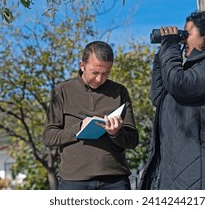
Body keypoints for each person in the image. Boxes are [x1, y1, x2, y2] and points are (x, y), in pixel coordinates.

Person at [139, 11, 205, 190]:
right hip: (182, 167)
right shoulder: (193, 69)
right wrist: (162, 54)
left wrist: (171, 45)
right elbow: (160, 98)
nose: (182, 38)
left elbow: (179, 85)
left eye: (187, 34)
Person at [43, 41, 139, 190]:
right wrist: (79, 128)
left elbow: (133, 140)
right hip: (74, 181)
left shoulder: (120, 92)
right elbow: (49, 137)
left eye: (106, 73)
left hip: (115, 181)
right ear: (82, 66)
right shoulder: (62, 91)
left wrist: (116, 133)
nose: (100, 79)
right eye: (95, 72)